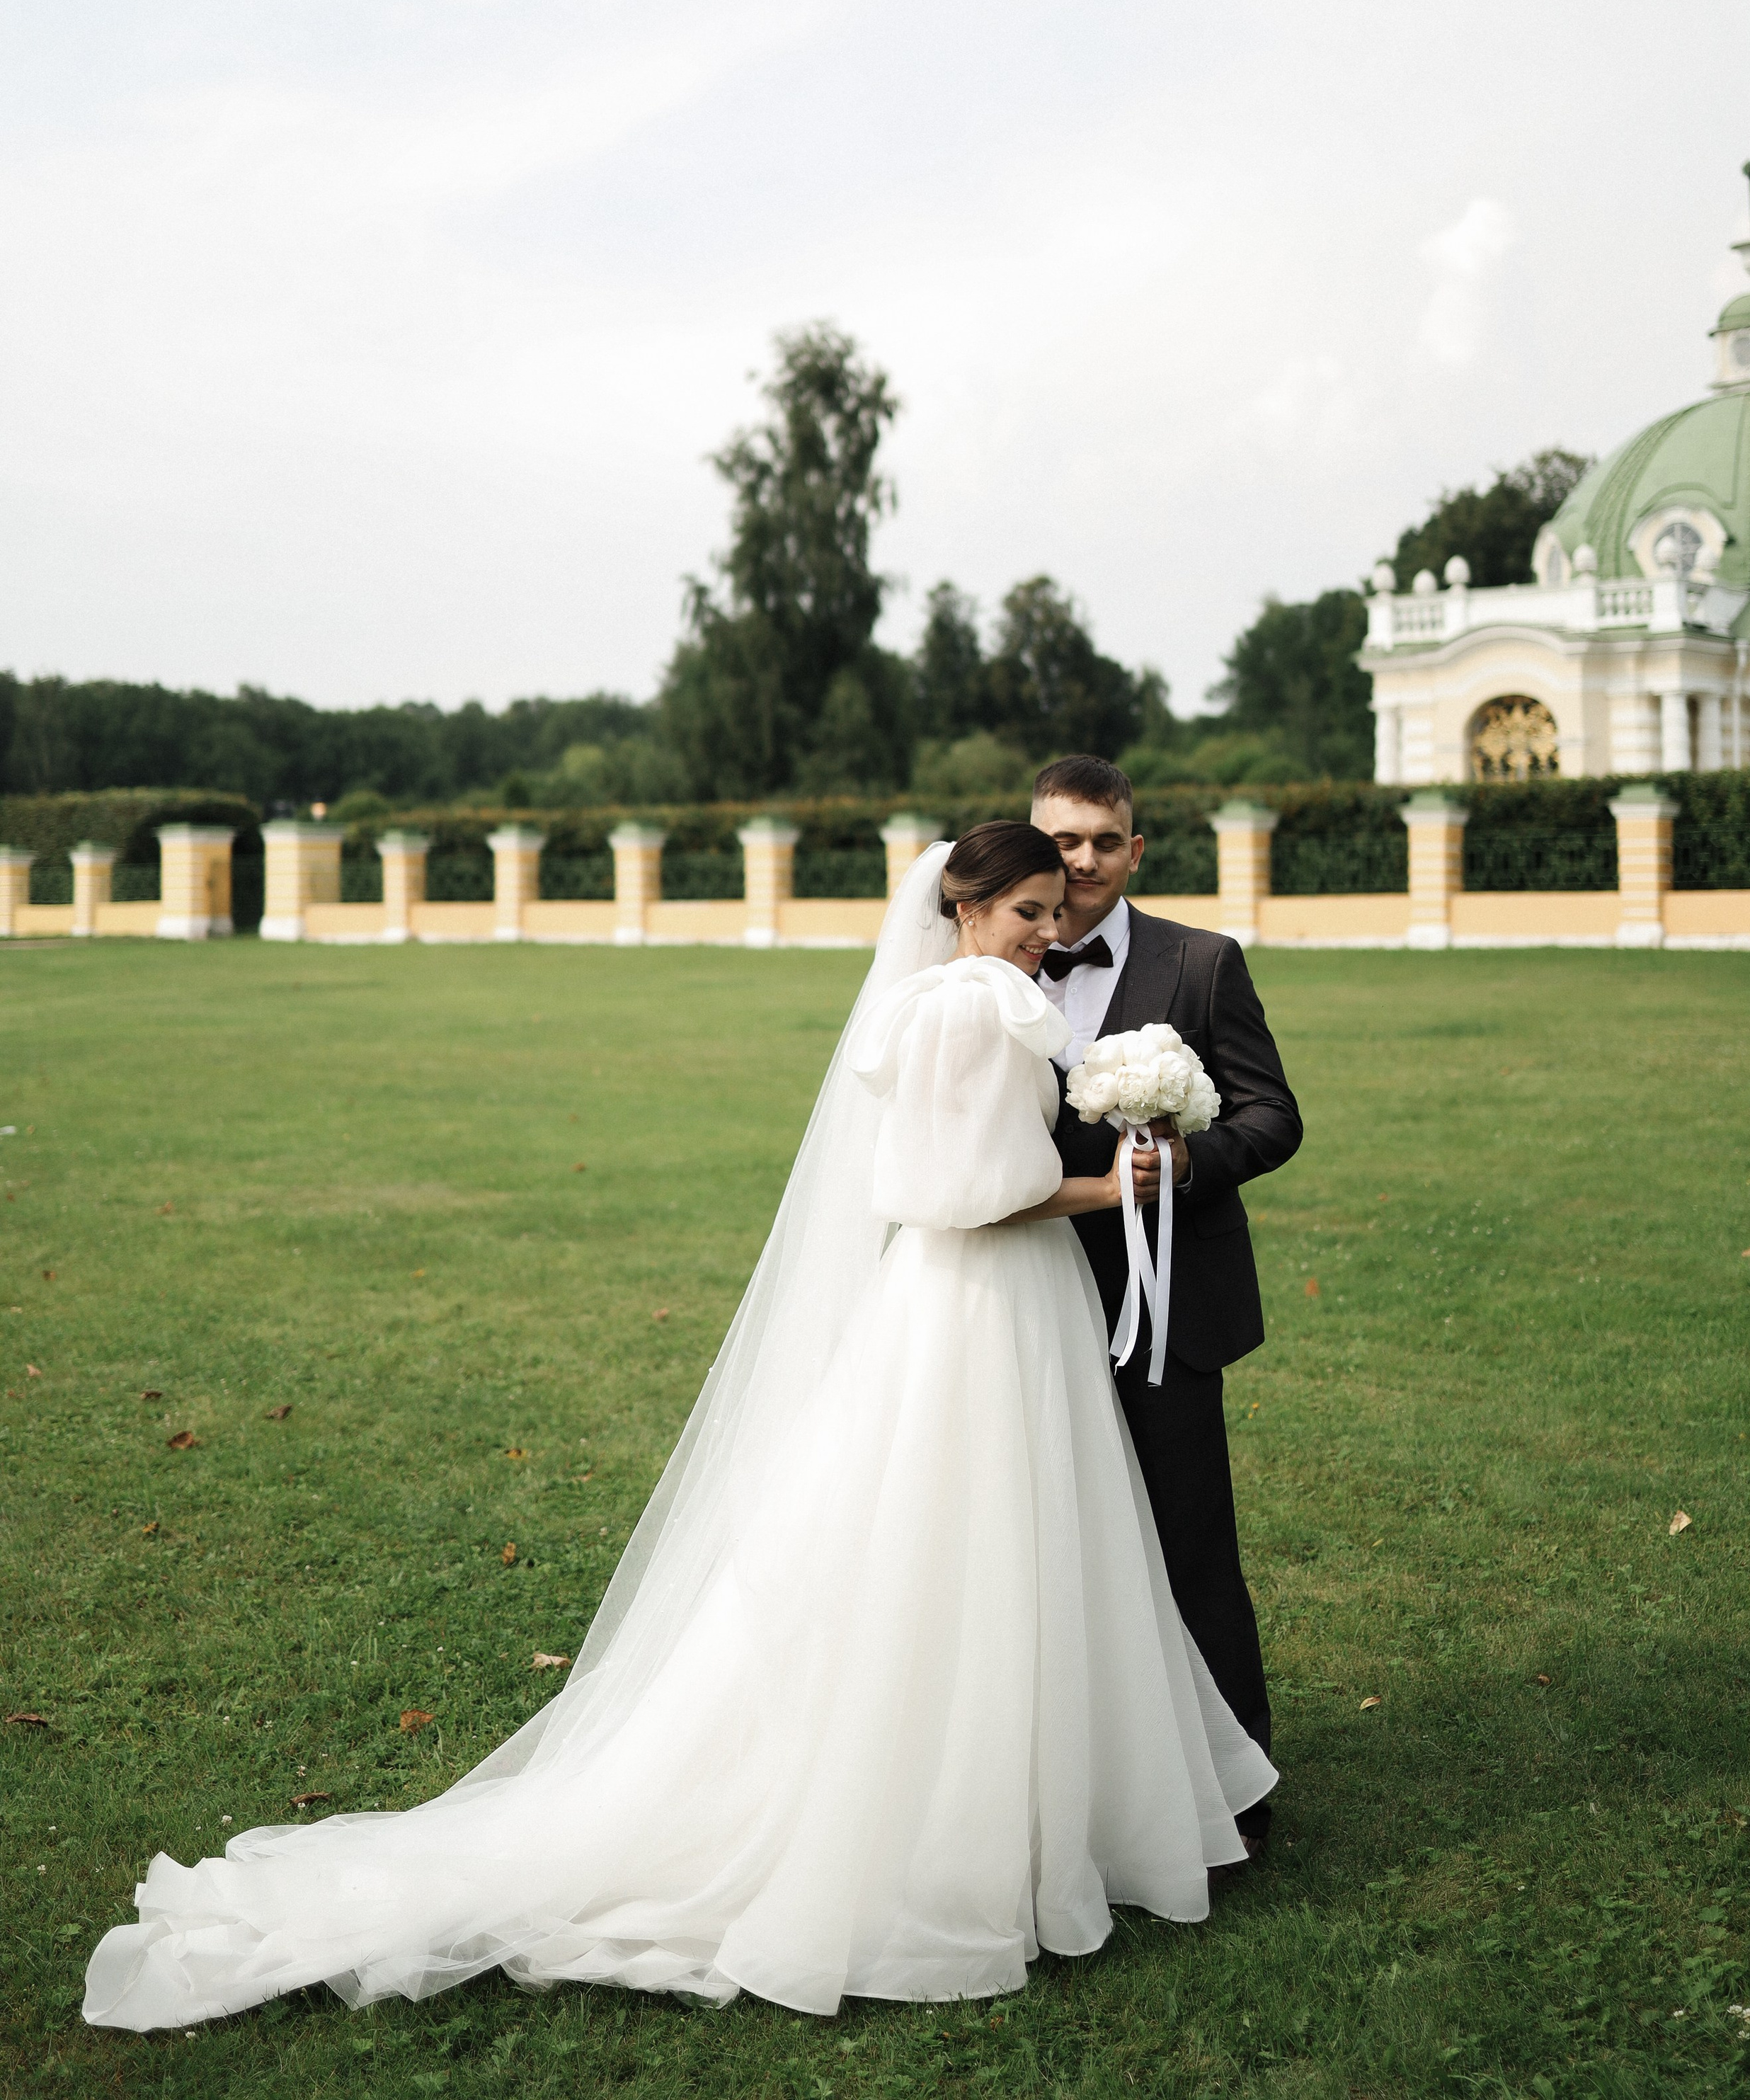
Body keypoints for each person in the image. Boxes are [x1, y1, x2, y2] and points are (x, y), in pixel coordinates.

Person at [86, 823, 1273, 2032]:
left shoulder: (933, 1002)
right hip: (986, 1297)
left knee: (973, 1539)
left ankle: (1015, 1798)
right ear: (965, 911)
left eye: (1052, 911)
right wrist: (1112, 1185)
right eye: (1025, 911)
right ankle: (971, 1819)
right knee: (983, 1535)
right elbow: (960, 1193)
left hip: (971, 1302)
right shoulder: (977, 1007)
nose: (1046, 932)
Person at [1031, 758, 1303, 1852]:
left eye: (1105, 840)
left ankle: (1236, 1790)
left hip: (1170, 1309)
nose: (1084, 860)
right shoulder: (991, 967)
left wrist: (1188, 1163)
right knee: (1047, 1546)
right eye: (1064, 841)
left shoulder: (1200, 962)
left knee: (1190, 1544)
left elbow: (1272, 1116)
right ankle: (1083, 1780)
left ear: (1136, 850)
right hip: (1028, 1302)